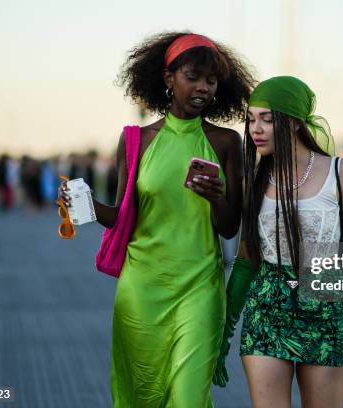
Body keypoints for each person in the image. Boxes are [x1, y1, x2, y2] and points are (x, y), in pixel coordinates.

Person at [58, 32, 254, 407]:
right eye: (193, 77)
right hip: (141, 288)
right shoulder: (136, 141)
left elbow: (229, 227)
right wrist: (80, 202)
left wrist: (216, 197)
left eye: (211, 81)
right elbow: (122, 218)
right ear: (169, 79)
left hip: (200, 287)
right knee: (141, 395)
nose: (203, 88)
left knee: (188, 398)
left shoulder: (227, 142)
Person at [213, 76, 343, 407]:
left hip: (326, 308)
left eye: (267, 119)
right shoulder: (255, 179)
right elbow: (246, 260)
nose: (256, 129)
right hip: (266, 311)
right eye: (251, 119)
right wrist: (225, 327)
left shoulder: (340, 172)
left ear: (293, 122)